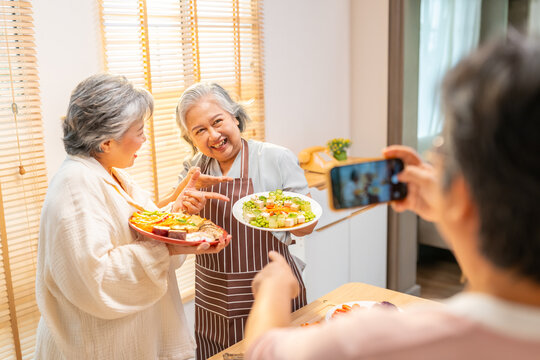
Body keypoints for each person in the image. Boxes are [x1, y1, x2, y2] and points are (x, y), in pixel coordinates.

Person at [244, 34, 540, 359]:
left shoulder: (381, 342)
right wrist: (449, 207)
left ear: (462, 195)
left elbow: (264, 352)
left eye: (442, 147)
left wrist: (272, 290)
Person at [35, 74, 231, 359]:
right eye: (139, 130)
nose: (145, 138)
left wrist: (177, 212)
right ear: (105, 143)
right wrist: (167, 247)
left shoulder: (111, 175)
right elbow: (96, 280)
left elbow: (140, 227)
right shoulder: (74, 186)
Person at [175, 82, 317, 359]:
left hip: (270, 285)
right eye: (200, 130)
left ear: (235, 118)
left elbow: (308, 225)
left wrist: (281, 212)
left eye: (218, 121)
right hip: (212, 295)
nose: (213, 135)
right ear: (191, 139)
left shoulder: (275, 158)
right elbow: (174, 225)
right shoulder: (193, 170)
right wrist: (186, 211)